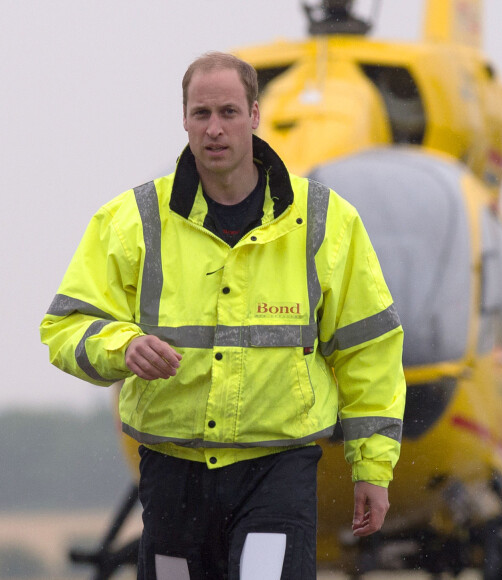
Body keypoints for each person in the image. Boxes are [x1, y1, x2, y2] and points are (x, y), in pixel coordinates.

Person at [40, 51, 406, 579]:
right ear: (184, 118)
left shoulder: (327, 221)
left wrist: (372, 468)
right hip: (172, 471)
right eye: (202, 114)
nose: (215, 129)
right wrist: (122, 346)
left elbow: (367, 350)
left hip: (278, 467)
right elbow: (64, 326)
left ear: (256, 115)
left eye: (229, 113)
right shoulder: (132, 221)